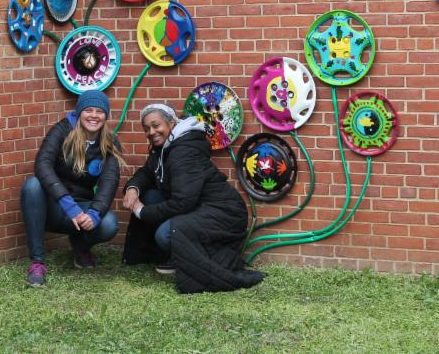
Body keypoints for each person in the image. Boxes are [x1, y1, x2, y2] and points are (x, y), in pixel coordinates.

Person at [122, 103, 265, 293]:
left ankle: (183, 258)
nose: (151, 132)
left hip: (224, 212)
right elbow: (147, 173)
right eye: (146, 128)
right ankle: (171, 254)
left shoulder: (183, 151)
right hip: (198, 205)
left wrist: (142, 211)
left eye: (156, 125)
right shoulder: (163, 148)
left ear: (171, 123)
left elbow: (182, 202)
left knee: (165, 234)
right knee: (150, 195)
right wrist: (132, 188)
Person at [20, 90, 125, 287]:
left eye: (100, 111)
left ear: (106, 116)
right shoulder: (62, 130)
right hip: (54, 207)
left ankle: (81, 248)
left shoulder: (110, 142)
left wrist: (94, 214)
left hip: (83, 206)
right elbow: (42, 164)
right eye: (88, 110)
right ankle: (37, 263)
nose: (94, 115)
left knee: (109, 223)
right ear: (79, 112)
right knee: (32, 186)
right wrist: (69, 206)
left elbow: (109, 182)